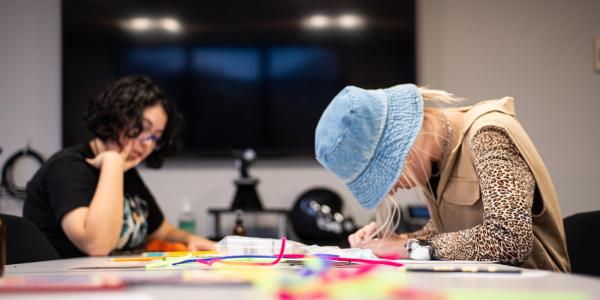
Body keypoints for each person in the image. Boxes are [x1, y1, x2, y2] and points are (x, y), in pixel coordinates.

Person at [314, 83, 570, 272]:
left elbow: (509, 239)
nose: (389, 191)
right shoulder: (431, 162)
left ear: (403, 142)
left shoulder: (488, 134)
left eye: (384, 175)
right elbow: (456, 229)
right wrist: (393, 239)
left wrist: (408, 248)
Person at [24, 75, 215, 258]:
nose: (148, 144)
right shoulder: (68, 167)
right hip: (63, 285)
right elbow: (96, 245)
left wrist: (190, 238)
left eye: (156, 136)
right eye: (141, 128)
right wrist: (113, 164)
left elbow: (162, 231)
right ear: (116, 118)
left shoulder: (127, 172)